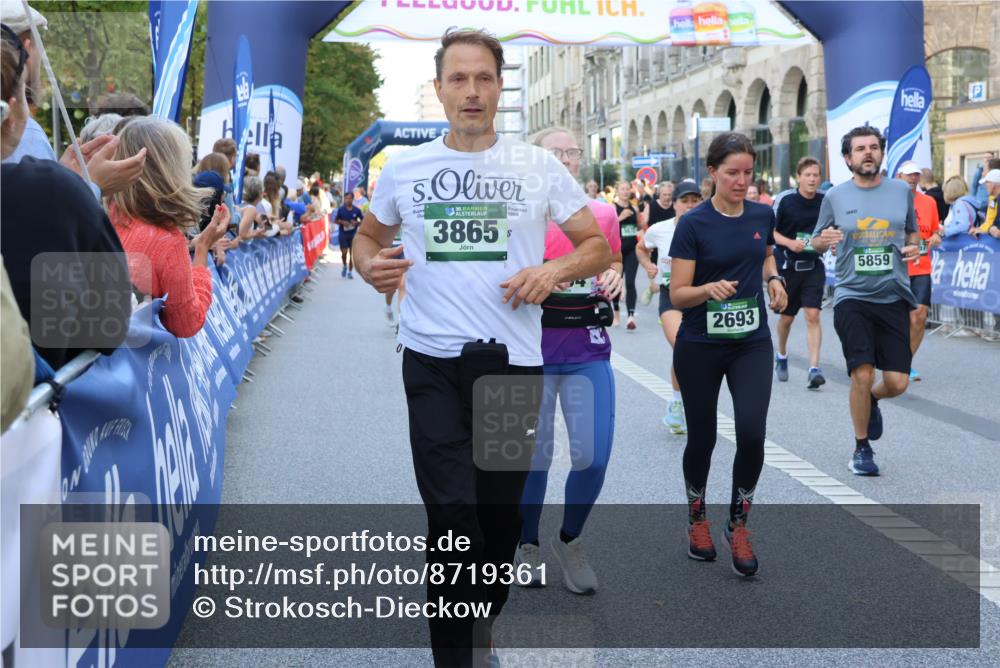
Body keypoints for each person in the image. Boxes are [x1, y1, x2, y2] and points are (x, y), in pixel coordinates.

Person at [352, 28, 611, 667]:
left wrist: (553, 273)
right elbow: (365, 239)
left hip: (510, 369)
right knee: (451, 523)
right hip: (431, 364)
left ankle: (481, 626)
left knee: (496, 530)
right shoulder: (405, 168)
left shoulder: (536, 166)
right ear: (438, 89)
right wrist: (367, 266)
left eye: (485, 78)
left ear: (500, 89)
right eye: (459, 79)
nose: (472, 91)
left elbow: (597, 246)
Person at [668, 131, 787, 577]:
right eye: (732, 173)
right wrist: (706, 289)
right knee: (703, 438)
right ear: (713, 172)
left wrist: (774, 280)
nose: (741, 182)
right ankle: (697, 518)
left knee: (752, 432)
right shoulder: (694, 223)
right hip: (699, 344)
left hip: (751, 342)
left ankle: (738, 525)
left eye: (748, 174)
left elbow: (764, 254)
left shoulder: (761, 212)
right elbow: (678, 295)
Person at [514, 126, 623, 596]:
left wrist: (615, 277)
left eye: (571, 152)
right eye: (553, 153)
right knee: (528, 462)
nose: (564, 159)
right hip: (527, 354)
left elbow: (613, 261)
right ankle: (527, 544)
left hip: (586, 351)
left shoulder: (602, 213)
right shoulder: (516, 215)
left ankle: (570, 539)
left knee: (594, 456)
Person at [1, 35, 131, 369]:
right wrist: (78, 192)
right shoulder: (54, 192)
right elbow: (109, 328)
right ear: (12, 113)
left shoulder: (52, 187)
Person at [810, 126, 920, 477]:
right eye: (860, 149)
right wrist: (823, 240)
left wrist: (915, 245)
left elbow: (914, 231)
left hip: (893, 295)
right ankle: (861, 448)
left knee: (898, 382)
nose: (868, 153)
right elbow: (815, 240)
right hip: (852, 295)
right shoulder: (835, 197)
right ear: (848, 158)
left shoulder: (901, 191)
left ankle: (873, 398)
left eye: (873, 147)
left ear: (881, 153)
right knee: (862, 372)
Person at [109, 117, 230, 338]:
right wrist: (203, 248)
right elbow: (186, 322)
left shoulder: (102, 215)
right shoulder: (166, 240)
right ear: (173, 170)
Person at [636, 180, 703, 434]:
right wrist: (648, 265)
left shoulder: (709, 228)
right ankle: (677, 403)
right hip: (671, 296)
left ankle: (694, 402)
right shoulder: (659, 230)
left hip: (700, 297)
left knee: (700, 353)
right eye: (684, 201)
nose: (689, 206)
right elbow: (642, 248)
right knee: (683, 344)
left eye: (695, 201)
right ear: (674, 204)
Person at [772, 156, 827, 389]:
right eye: (808, 175)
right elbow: (770, 232)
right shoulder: (785, 200)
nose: (812, 179)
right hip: (788, 266)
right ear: (799, 177)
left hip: (813, 267)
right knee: (787, 318)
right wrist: (790, 243)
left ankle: (814, 368)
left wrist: (827, 242)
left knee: (813, 315)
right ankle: (782, 355)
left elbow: (830, 230)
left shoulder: (826, 201)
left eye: (816, 175)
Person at [897, 161, 941, 382]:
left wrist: (936, 237)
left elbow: (935, 231)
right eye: (908, 175)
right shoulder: (891, 201)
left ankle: (905, 363)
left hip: (922, 267)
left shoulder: (929, 202)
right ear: (899, 177)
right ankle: (890, 358)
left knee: (920, 315)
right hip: (896, 268)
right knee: (896, 318)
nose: (913, 179)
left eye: (916, 175)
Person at [638, 180, 678, 305]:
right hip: (655, 247)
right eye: (664, 194)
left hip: (673, 246)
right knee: (658, 284)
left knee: (672, 281)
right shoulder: (652, 206)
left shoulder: (676, 206)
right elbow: (643, 224)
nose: (667, 197)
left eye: (669, 194)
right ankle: (651, 289)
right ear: (659, 194)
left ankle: (667, 310)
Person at [612, 180, 642, 329]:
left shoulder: (634, 208)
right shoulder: (612, 208)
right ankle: (616, 311)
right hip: (617, 251)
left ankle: (631, 316)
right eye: (622, 189)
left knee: (630, 282)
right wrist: (620, 218)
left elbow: (638, 228)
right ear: (617, 191)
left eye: (627, 189)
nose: (625, 191)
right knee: (616, 283)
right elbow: (607, 229)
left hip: (632, 250)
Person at [334, 191, 363, 278]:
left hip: (353, 234)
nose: (348, 200)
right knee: (344, 252)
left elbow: (363, 221)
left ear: (353, 199)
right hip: (343, 234)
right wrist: (342, 222)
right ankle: (344, 266)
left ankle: (350, 272)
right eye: (346, 198)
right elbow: (335, 220)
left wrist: (356, 223)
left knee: (351, 254)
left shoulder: (357, 210)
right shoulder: (341, 209)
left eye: (350, 198)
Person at [976, 169, 1000, 235]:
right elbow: (989, 222)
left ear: (992, 185)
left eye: (986, 183)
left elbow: (996, 230)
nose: (985, 186)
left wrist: (989, 229)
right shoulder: (992, 199)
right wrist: (978, 229)